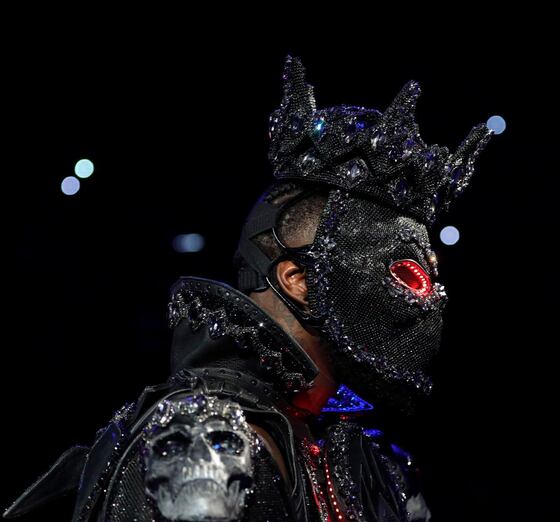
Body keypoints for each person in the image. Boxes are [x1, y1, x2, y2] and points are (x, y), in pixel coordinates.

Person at [4, 55, 496, 522]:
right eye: (410, 275)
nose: (434, 299)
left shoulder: (356, 455)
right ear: (298, 280)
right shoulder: (207, 442)